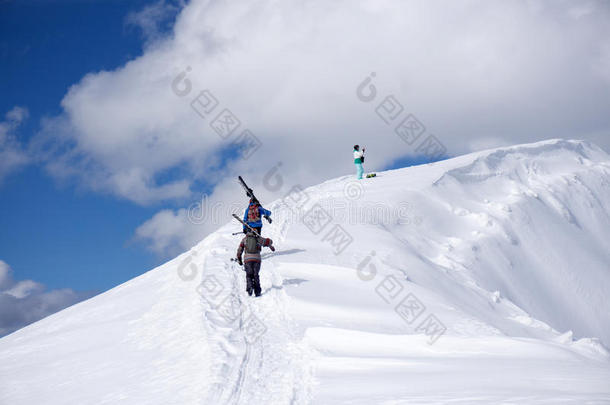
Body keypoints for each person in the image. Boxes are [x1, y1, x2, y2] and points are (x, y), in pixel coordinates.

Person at [236, 230, 275, 297]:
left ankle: (250, 288)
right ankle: (257, 291)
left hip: (247, 260)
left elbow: (239, 250)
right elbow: (269, 241)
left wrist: (240, 260)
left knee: (249, 275)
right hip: (257, 259)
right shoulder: (259, 239)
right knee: (256, 275)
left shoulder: (244, 239)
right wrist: (269, 241)